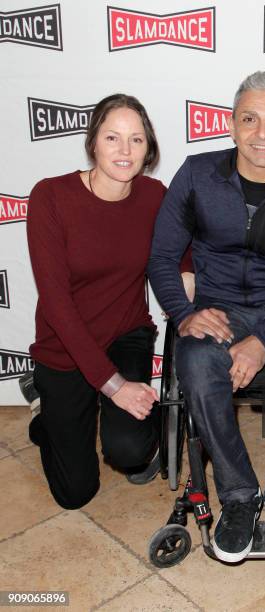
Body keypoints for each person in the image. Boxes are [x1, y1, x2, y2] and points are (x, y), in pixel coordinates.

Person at [148, 71, 265, 563]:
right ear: (231, 126)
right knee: (193, 363)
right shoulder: (195, 174)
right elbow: (161, 259)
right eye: (250, 119)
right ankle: (237, 496)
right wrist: (184, 313)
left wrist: (263, 341)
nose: (262, 133)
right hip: (219, 311)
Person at [27, 93, 167, 510]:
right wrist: (115, 386)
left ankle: (129, 428)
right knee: (76, 494)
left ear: (148, 149)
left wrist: (188, 289)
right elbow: (56, 303)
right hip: (65, 345)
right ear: (93, 143)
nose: (125, 151)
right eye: (112, 138)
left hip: (126, 334)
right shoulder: (51, 196)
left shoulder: (154, 195)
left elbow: (182, 254)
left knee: (127, 450)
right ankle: (47, 414)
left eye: (136, 140)